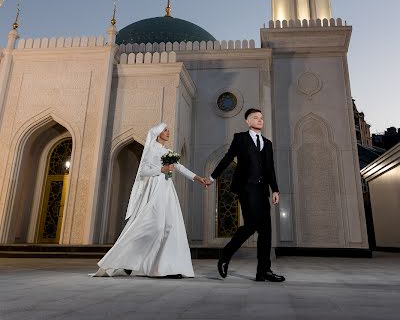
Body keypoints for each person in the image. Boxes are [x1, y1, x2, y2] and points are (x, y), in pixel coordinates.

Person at [91, 122, 207, 278]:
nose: (168, 132)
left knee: (171, 225)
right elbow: (143, 171)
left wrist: (198, 178)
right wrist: (161, 169)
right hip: (154, 189)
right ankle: (127, 260)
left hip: (167, 190)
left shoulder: (168, 151)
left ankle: (168, 268)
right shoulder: (151, 150)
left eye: (168, 130)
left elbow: (179, 167)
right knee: (154, 226)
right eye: (165, 130)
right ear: (157, 133)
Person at [205, 108, 285, 282]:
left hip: (262, 190)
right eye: (255, 118)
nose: (259, 120)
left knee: (265, 231)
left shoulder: (268, 143)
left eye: (261, 118)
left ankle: (263, 271)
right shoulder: (240, 138)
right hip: (246, 188)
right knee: (253, 225)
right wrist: (212, 177)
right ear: (247, 121)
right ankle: (225, 255)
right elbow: (227, 158)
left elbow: (270, 169)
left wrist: (275, 190)